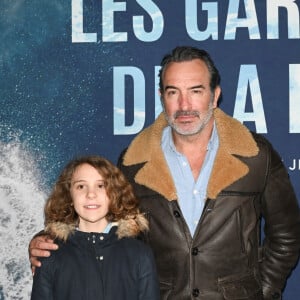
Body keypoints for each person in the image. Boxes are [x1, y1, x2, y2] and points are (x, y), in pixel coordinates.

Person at [29, 46, 300, 300]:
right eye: (173, 92)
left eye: (195, 91)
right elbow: (103, 224)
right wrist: (49, 241)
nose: (184, 105)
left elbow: (287, 236)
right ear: (162, 97)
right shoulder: (134, 163)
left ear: (215, 95)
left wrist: (262, 292)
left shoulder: (256, 155)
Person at [30, 155, 160, 300]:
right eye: (81, 186)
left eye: (101, 186)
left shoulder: (139, 254)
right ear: (69, 195)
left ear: (114, 194)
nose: (91, 194)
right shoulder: (49, 256)